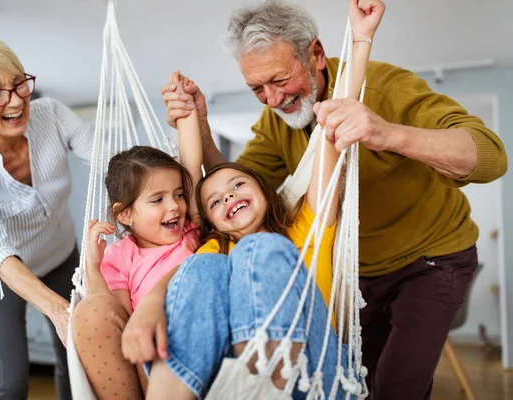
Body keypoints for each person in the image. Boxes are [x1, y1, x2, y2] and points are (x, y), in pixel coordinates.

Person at [161, 1, 507, 399]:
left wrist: (386, 133)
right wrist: (200, 127)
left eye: (279, 78)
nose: (272, 99)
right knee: (360, 383)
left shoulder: (386, 88)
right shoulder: (279, 122)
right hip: (355, 274)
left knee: (396, 388)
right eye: (257, 88)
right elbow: (238, 185)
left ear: (317, 55)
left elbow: (490, 156)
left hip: (429, 260)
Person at [119, 2, 383, 398]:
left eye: (238, 185)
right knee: (203, 271)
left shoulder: (306, 224)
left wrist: (360, 40)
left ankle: (270, 375)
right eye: (215, 202)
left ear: (264, 189)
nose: (229, 198)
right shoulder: (215, 249)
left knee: (260, 248)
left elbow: (333, 123)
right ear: (211, 221)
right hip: (231, 376)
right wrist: (150, 306)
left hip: (315, 375)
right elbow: (183, 277)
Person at [0, 36, 93, 399]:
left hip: (60, 256)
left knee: (77, 366)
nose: (16, 100)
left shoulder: (52, 114)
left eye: (19, 83)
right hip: (2, 277)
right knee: (9, 385)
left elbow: (106, 158)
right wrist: (57, 309)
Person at [71, 75, 204, 398]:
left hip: (192, 348)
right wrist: (92, 264)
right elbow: (112, 315)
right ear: (125, 214)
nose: (174, 206)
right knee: (91, 311)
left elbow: (191, 164)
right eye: (157, 200)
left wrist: (185, 112)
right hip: (148, 353)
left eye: (178, 194)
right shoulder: (121, 256)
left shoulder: (191, 231)